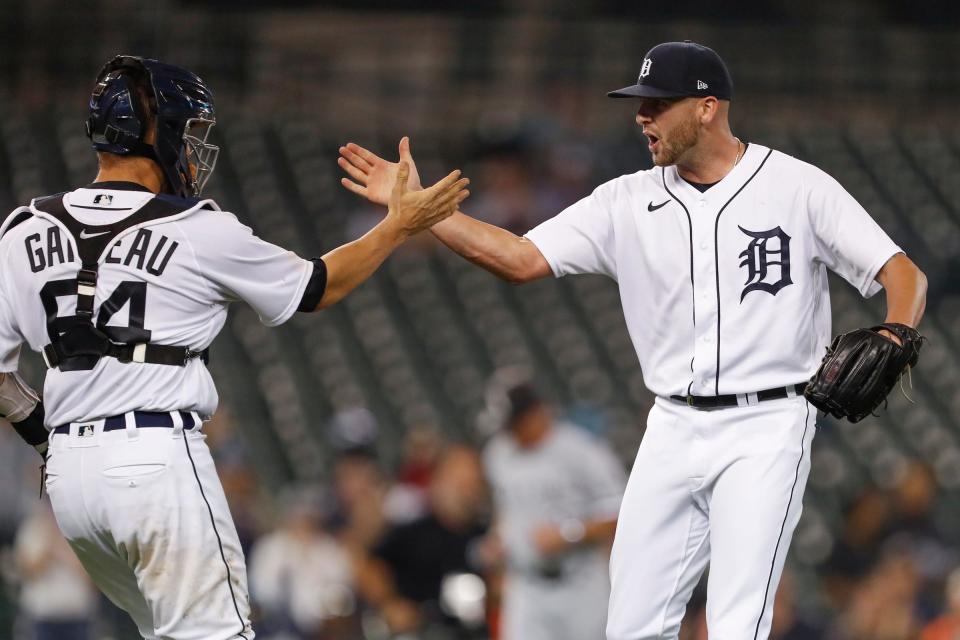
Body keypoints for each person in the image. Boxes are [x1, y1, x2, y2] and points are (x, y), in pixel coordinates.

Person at [337, 40, 927, 639]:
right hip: (670, 424)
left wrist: (896, 326)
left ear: (707, 107)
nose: (642, 116)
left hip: (767, 425)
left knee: (735, 623)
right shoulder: (625, 200)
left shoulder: (797, 187)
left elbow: (902, 272)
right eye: (639, 103)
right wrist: (419, 210)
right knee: (631, 627)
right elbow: (519, 258)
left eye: (658, 103)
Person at [0, 55, 468, 640]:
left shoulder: (23, 229)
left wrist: (43, 434)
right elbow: (316, 286)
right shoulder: (197, 228)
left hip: (70, 483)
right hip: (154, 460)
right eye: (189, 131)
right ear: (156, 131)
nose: (194, 148)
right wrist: (397, 226)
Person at [478, 373, 625, 640]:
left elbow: (621, 514)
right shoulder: (498, 453)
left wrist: (570, 533)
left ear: (535, 413)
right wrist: (498, 538)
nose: (510, 432)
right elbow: (506, 508)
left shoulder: (581, 450)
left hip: (580, 584)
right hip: (526, 585)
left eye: (514, 423)